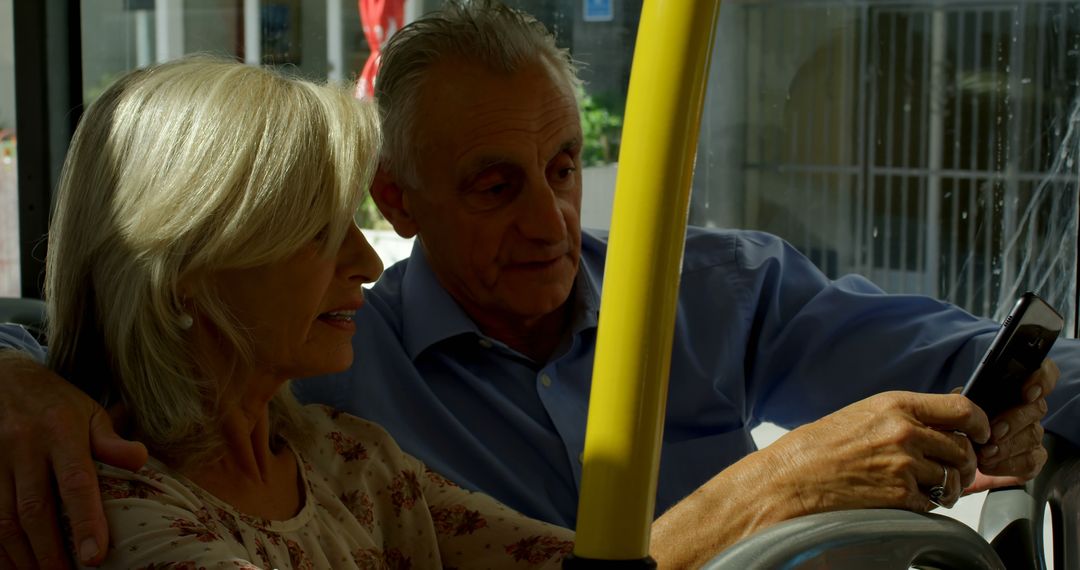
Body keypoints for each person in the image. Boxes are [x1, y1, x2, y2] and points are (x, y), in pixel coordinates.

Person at [0, 1, 1073, 568]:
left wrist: (1015, 413)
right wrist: (774, 488)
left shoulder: (345, 457)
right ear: (403, 199)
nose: (554, 220)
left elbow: (1006, 368)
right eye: (495, 186)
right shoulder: (318, 368)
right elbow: (86, 350)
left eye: (565, 168)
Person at [8, 56, 577, 569]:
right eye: (319, 230)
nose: (368, 261)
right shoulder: (117, 512)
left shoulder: (348, 459)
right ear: (186, 272)